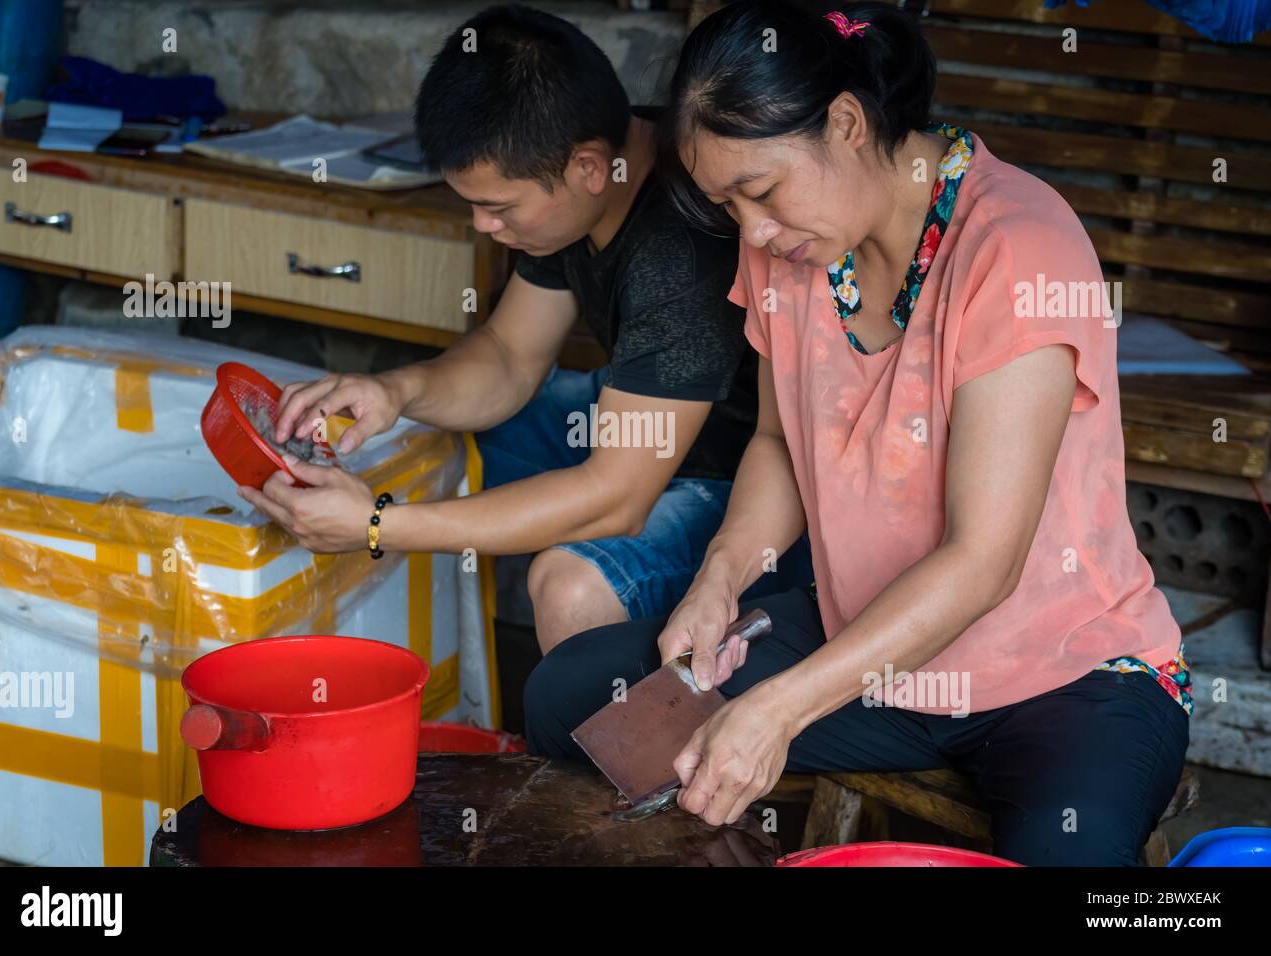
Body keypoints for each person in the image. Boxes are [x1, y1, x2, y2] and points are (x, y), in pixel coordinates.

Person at [523, 1, 1191, 866]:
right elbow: (776, 444)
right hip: (864, 644)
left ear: (845, 122)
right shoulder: (793, 245)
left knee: (1075, 856)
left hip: (1060, 677)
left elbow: (982, 562)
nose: (752, 232)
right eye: (729, 205)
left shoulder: (1017, 248)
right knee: (568, 699)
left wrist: (780, 706)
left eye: (760, 191)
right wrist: (719, 582)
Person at [237, 4, 809, 652]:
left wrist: (377, 525)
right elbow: (510, 354)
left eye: (497, 207)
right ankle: (439, 684)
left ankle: (588, 746)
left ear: (588, 168)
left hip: (734, 484)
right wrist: (395, 392)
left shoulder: (676, 254)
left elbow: (615, 497)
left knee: (570, 586)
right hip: (633, 424)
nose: (484, 226)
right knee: (419, 436)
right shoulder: (580, 176)